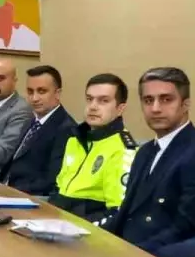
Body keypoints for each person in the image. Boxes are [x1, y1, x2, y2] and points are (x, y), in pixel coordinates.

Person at [106, 67, 195, 255]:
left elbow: (186, 228)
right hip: (124, 251)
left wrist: (132, 254)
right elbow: (126, 214)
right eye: (148, 100)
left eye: (166, 99)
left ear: (185, 104)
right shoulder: (145, 151)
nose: (155, 108)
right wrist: (92, 236)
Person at [50, 73, 137, 225]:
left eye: (104, 101)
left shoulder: (123, 150)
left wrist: (73, 227)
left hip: (88, 230)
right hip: (56, 221)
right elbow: (58, 190)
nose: (93, 107)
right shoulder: (74, 140)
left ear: (120, 109)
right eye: (89, 99)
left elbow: (118, 213)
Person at [0, 65, 75, 196]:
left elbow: (51, 180)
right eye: (30, 92)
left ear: (57, 94)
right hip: (4, 189)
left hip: (30, 197)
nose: (34, 98)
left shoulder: (66, 129)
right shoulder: (31, 120)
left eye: (42, 91)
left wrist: (10, 192)